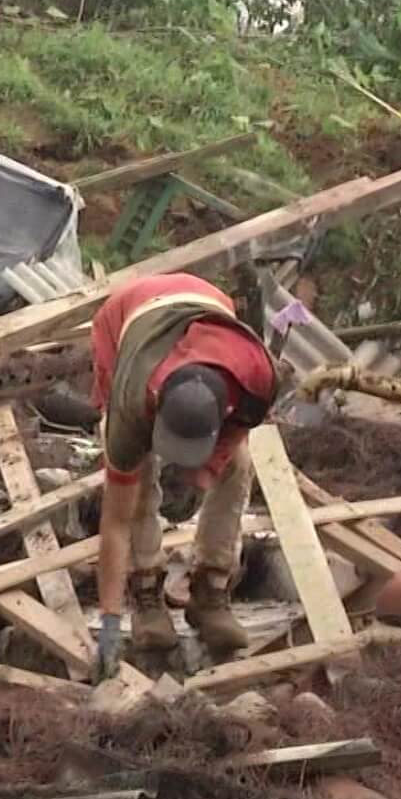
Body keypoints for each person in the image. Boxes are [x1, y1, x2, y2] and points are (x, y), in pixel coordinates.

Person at [89, 272, 278, 678]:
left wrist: (209, 468)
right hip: (124, 322)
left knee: (238, 466)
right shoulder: (133, 400)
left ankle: (210, 591)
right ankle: (145, 591)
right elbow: (116, 520)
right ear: (157, 405)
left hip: (206, 310)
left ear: (224, 408)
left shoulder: (259, 378)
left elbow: (239, 428)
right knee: (136, 480)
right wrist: (108, 619)